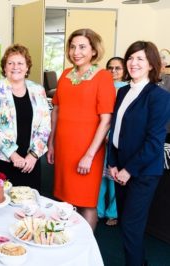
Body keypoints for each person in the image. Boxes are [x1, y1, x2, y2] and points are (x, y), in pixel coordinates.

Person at [107, 41, 170, 266]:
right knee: (127, 224)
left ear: (152, 65)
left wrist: (128, 170)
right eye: (131, 58)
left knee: (132, 227)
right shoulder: (123, 91)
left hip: (142, 173)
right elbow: (117, 131)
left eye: (140, 59)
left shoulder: (158, 96)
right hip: (120, 168)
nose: (133, 63)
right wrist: (113, 163)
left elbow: (154, 142)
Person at [47, 28, 116, 231]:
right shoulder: (66, 74)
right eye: (73, 46)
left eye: (83, 47)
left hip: (88, 149)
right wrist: (51, 143)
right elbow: (56, 110)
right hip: (64, 147)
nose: (76, 51)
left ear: (94, 51)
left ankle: (86, 251)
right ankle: (66, 243)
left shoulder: (102, 77)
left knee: (86, 202)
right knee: (64, 199)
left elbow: (106, 120)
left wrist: (89, 155)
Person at [0, 44, 51, 191]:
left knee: (28, 204)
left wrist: (33, 155)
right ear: (4, 68)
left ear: (27, 68)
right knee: (0, 203)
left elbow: (45, 125)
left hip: (30, 160)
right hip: (1, 158)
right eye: (10, 63)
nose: (15, 67)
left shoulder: (38, 90)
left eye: (20, 63)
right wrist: (13, 155)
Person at [97, 57, 127, 226]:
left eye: (118, 68)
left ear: (125, 71)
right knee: (100, 177)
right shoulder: (102, 86)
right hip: (101, 137)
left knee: (113, 177)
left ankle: (113, 212)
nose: (113, 72)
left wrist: (112, 134)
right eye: (110, 68)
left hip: (117, 139)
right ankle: (98, 210)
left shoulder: (127, 89)